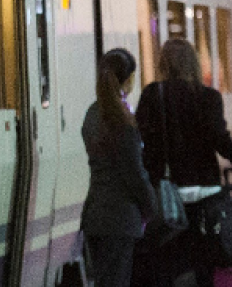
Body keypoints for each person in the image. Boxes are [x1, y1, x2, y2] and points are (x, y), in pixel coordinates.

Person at [137, 38, 232, 286]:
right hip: (206, 193)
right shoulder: (209, 97)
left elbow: (142, 142)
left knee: (167, 263)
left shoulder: (153, 95)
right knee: (205, 262)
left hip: (169, 196)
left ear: (163, 64)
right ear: (193, 64)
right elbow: (220, 138)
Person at [80, 48, 159, 287]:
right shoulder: (122, 120)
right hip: (121, 220)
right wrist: (151, 206)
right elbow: (135, 174)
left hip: (95, 215)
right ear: (129, 79)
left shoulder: (92, 115)